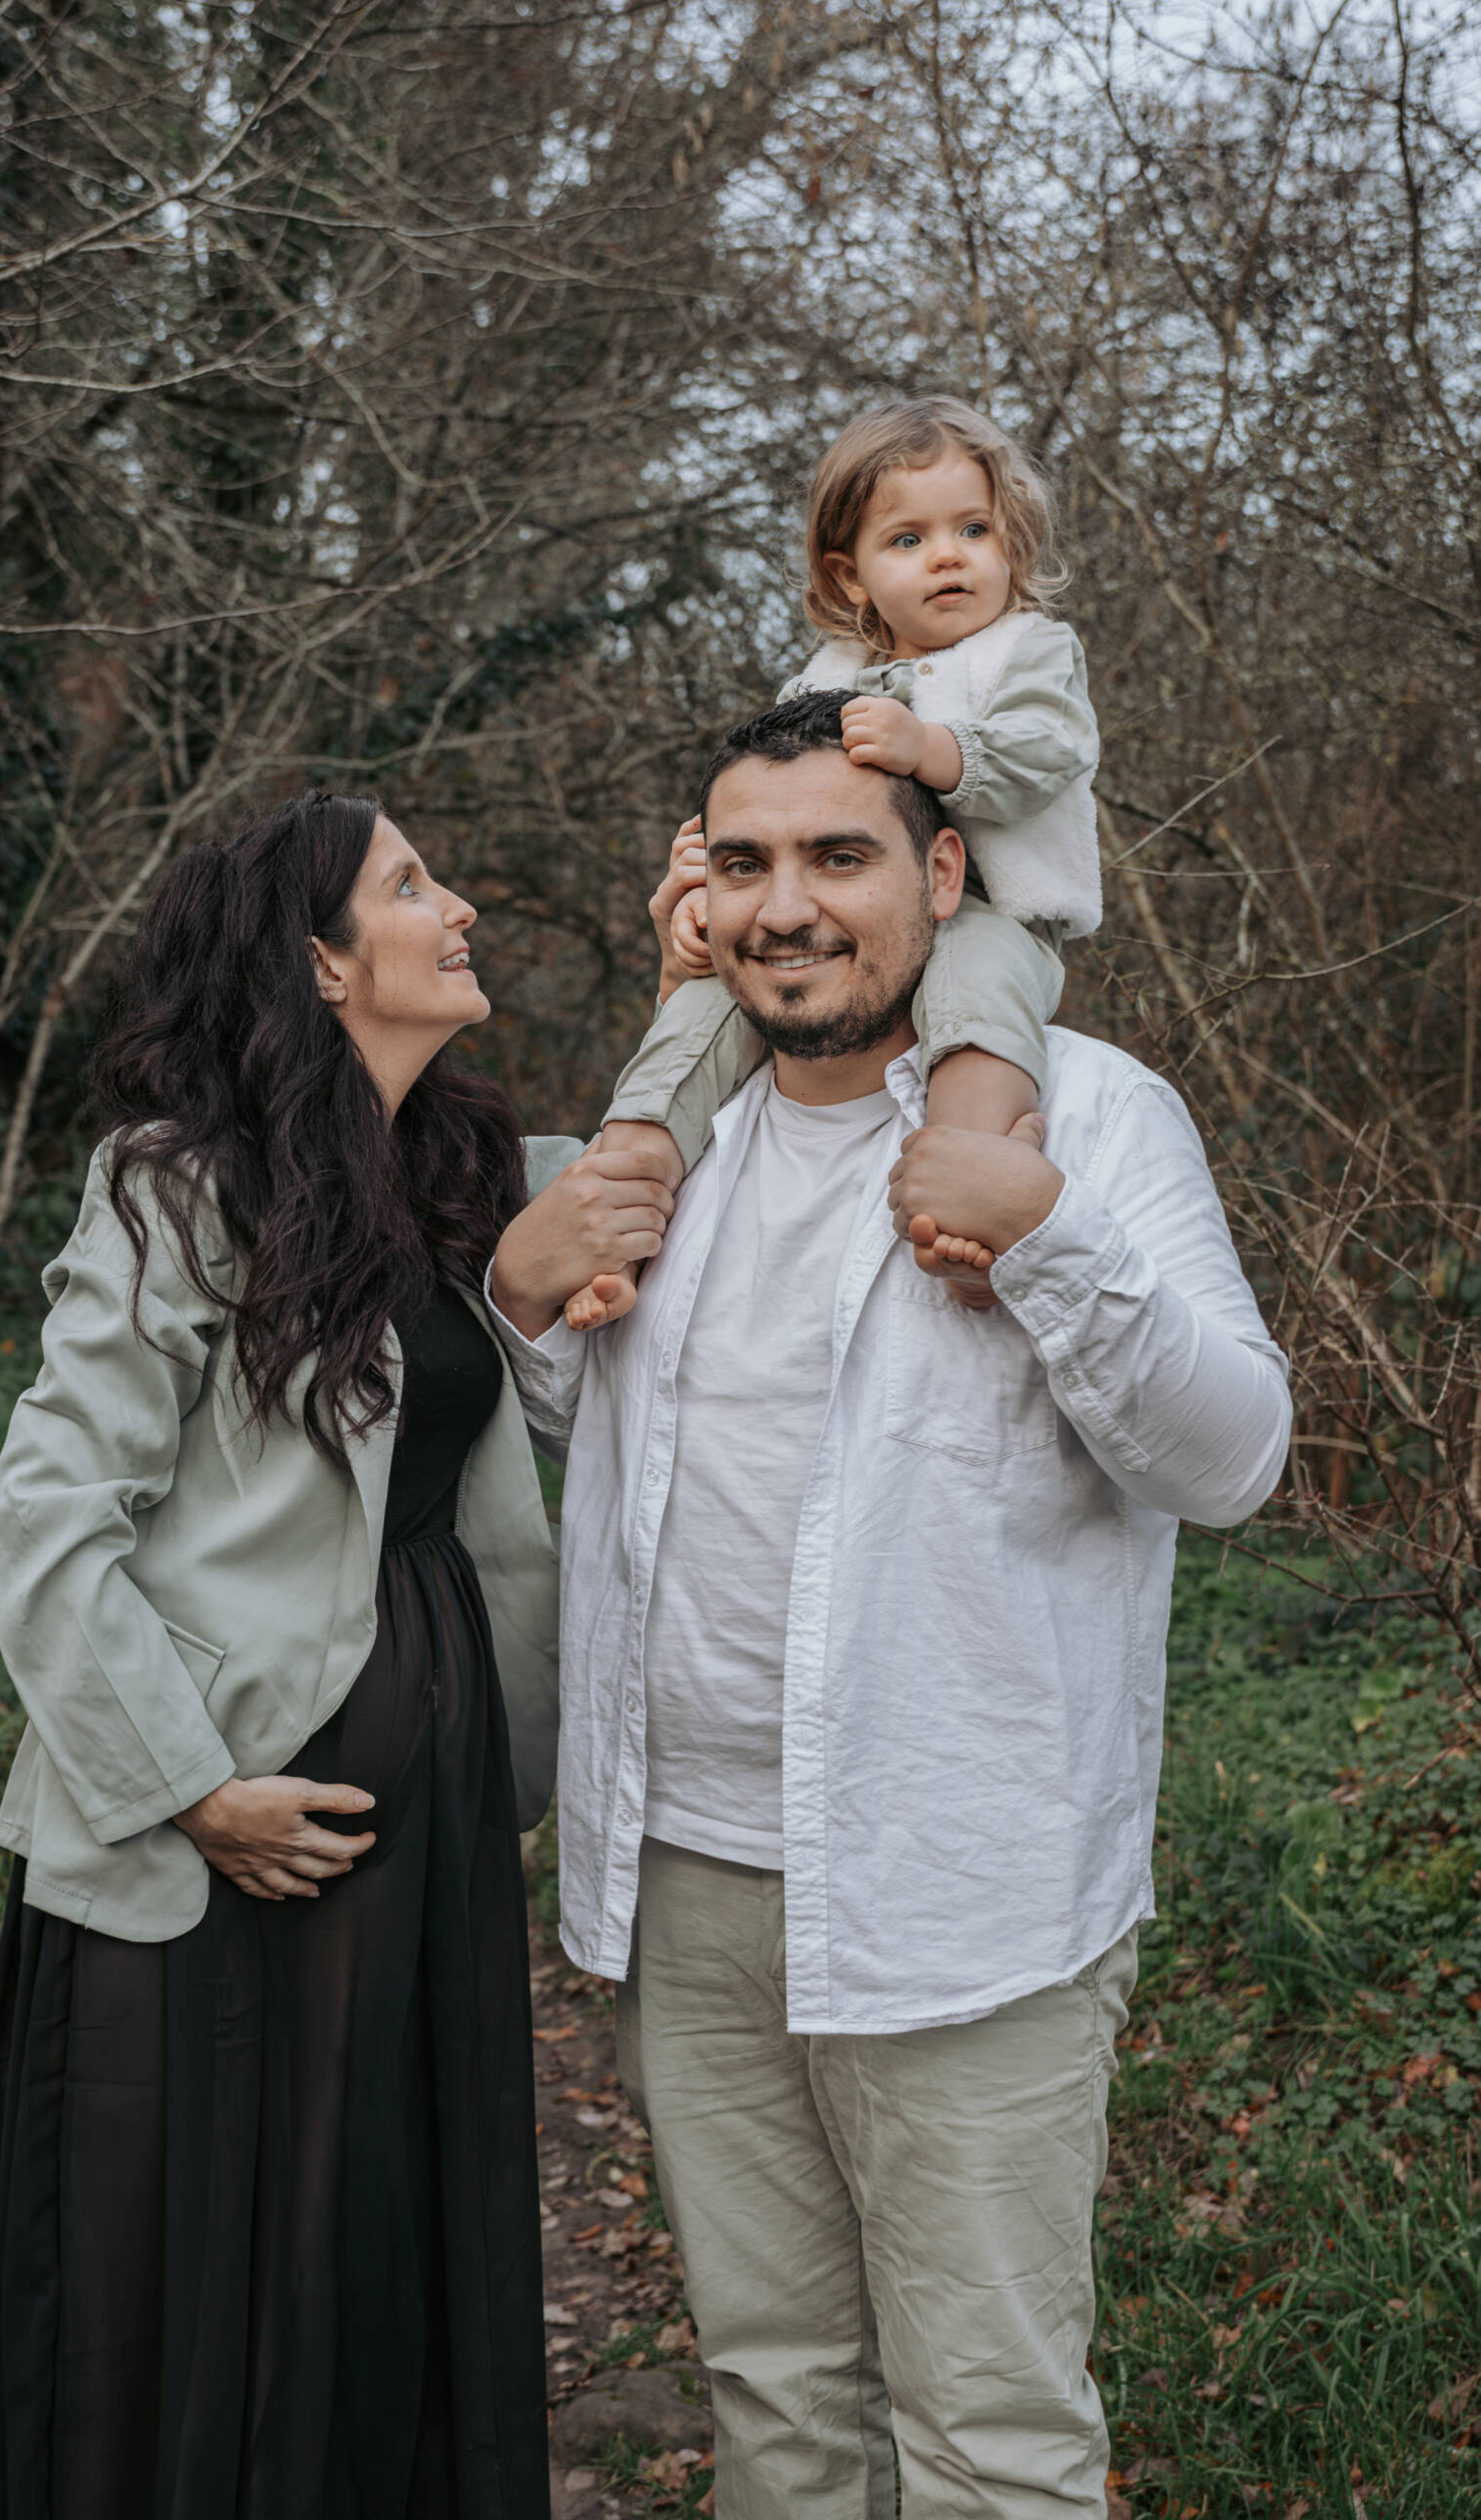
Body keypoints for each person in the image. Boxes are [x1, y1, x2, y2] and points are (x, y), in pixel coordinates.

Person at [486, 697, 1292, 2518]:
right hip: (686, 1886)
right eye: (745, 861)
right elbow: (575, 1446)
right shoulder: (658, 1147)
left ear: (940, 874)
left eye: (839, 857)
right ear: (698, 893)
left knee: (989, 2432)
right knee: (776, 2403)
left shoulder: (1087, 1117)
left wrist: (1045, 1237)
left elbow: (1232, 1459)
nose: (790, 906)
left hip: (957, 1890)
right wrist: (515, 1303)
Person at [0, 792, 675, 2520]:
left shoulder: (463, 1181)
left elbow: (675, 1152)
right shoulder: (175, 1188)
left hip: (415, 1845)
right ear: (319, 959)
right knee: (196, 2258)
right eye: (412, 885)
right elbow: (51, 1523)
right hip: (212, 1840)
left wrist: (692, 974)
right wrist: (192, 1789)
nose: (459, 905)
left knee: (370, 2240)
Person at [563, 394, 1101, 1328]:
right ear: (848, 577)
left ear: (1010, 544)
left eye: (973, 528)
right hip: (836, 917)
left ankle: (972, 1206)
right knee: (705, 1006)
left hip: (994, 912)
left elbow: (1048, 753)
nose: (947, 554)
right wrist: (705, 880)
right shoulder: (822, 676)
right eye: (908, 539)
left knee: (973, 1013)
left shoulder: (1028, 649)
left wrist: (932, 748)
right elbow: (767, 799)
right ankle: (626, 1187)